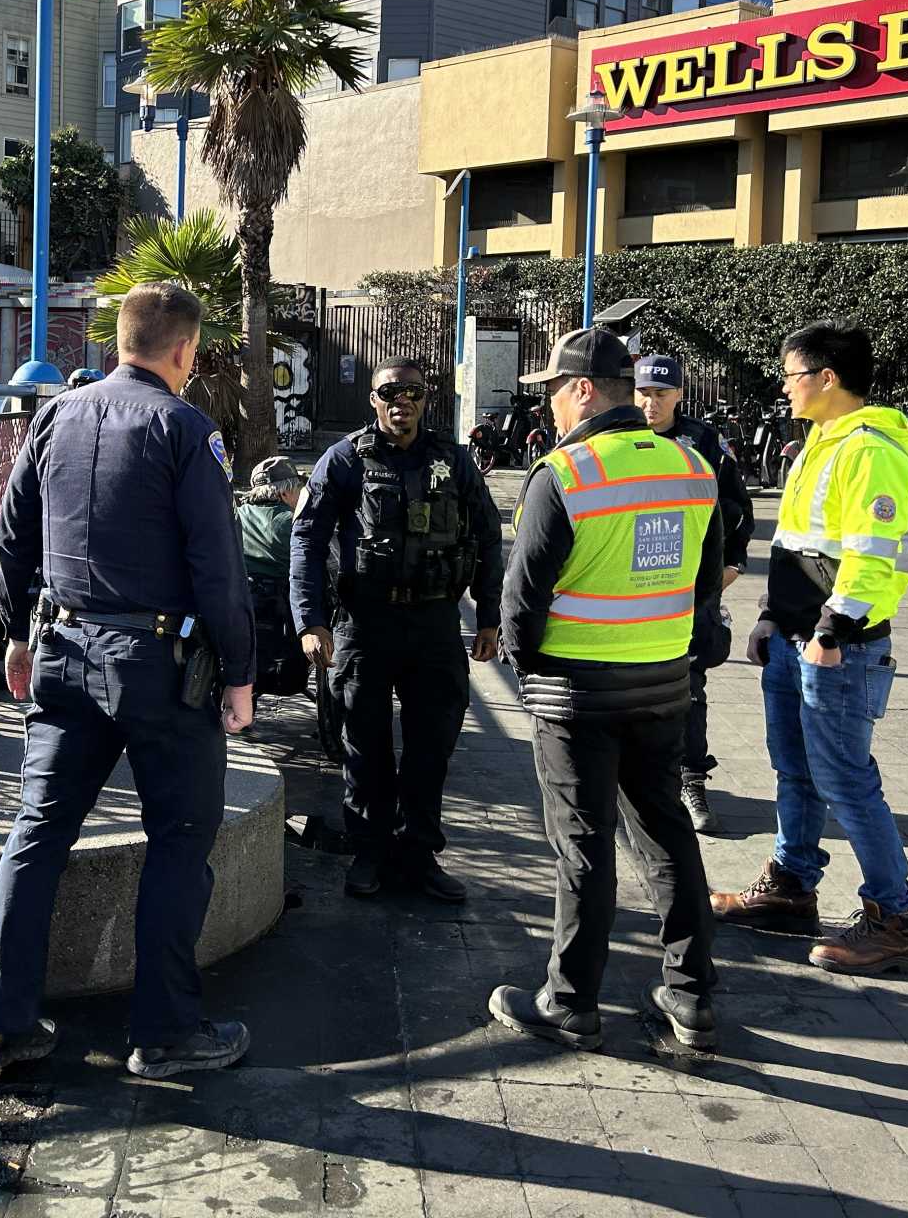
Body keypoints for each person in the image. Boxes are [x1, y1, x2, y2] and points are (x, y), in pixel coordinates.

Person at [0, 281, 256, 1082]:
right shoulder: (185, 429)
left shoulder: (57, 414)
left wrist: (18, 633)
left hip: (62, 653)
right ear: (183, 351)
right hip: (160, 671)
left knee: (36, 836)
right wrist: (240, 675)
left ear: (118, 341)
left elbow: (10, 535)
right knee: (179, 844)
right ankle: (165, 1036)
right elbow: (217, 570)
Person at [488, 327, 723, 1053]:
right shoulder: (692, 467)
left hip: (576, 694)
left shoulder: (566, 473)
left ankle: (570, 1003)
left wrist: (529, 677)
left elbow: (520, 603)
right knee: (667, 836)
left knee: (583, 846)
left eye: (554, 391)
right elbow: (705, 586)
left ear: (583, 389)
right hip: (663, 684)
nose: (551, 407)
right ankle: (691, 999)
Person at [713, 320, 908, 975]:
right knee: (796, 770)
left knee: (846, 781)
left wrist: (832, 630)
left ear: (827, 378)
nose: (785, 386)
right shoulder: (822, 443)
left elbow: (872, 554)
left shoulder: (869, 448)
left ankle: (895, 917)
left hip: (839, 648)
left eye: (792, 374)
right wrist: (774, 617)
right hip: (796, 641)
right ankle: (791, 886)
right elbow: (799, 546)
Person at [290, 358, 504, 903]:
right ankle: (370, 851)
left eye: (411, 392)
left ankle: (419, 854)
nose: (400, 401)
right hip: (364, 623)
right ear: (373, 399)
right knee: (363, 745)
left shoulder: (453, 462)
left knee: (432, 745)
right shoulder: (343, 460)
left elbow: (486, 536)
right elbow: (308, 540)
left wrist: (489, 617)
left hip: (435, 623)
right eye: (390, 392)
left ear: (424, 399)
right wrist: (311, 620)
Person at [634, 355, 755, 835]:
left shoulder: (703, 443)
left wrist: (723, 575)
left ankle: (690, 780)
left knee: (688, 686)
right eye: (644, 392)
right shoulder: (617, 438)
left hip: (687, 591)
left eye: (661, 394)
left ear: (679, 395)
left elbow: (738, 512)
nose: (651, 402)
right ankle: (640, 780)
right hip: (629, 588)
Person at [235, 456, 308, 696]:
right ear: (285, 493)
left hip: (241, 609)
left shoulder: (235, 516)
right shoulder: (293, 523)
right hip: (285, 616)